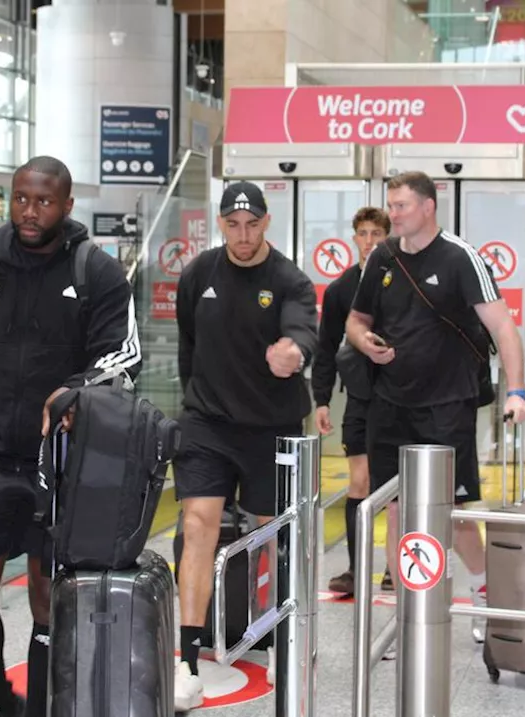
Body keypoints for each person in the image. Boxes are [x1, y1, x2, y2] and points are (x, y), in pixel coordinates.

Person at [0, 156, 141, 717]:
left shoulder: (95, 272)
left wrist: (71, 393)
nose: (30, 211)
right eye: (21, 198)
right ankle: (1, 700)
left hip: (63, 464)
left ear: (67, 205)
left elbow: (122, 359)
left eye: (44, 201)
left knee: (50, 596)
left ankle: (38, 709)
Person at [345, 170, 525, 644]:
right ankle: (402, 614)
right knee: (394, 510)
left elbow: (503, 328)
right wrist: (365, 343)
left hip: (447, 405)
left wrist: (518, 390)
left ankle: (485, 592)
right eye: (392, 205)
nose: (394, 214)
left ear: (428, 207)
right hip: (391, 403)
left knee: (459, 510)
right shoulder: (382, 258)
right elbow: (356, 319)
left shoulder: (460, 258)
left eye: (403, 205)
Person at [171, 181, 318, 711]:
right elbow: (189, 345)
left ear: (266, 222)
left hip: (270, 428)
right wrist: (191, 405)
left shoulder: (288, 280)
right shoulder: (198, 274)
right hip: (208, 424)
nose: (242, 235)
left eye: (251, 224)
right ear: (221, 223)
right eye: (232, 225)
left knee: (270, 536)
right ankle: (187, 661)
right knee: (196, 527)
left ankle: (284, 644)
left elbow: (304, 330)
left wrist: (292, 352)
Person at [311, 206, 390, 596]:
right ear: (355, 238)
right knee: (359, 481)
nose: (371, 241)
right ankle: (358, 569)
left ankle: (397, 567)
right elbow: (325, 348)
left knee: (396, 486)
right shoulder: (342, 290)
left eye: (378, 233)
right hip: (359, 398)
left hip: (398, 399)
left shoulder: (399, 282)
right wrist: (321, 400)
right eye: (364, 233)